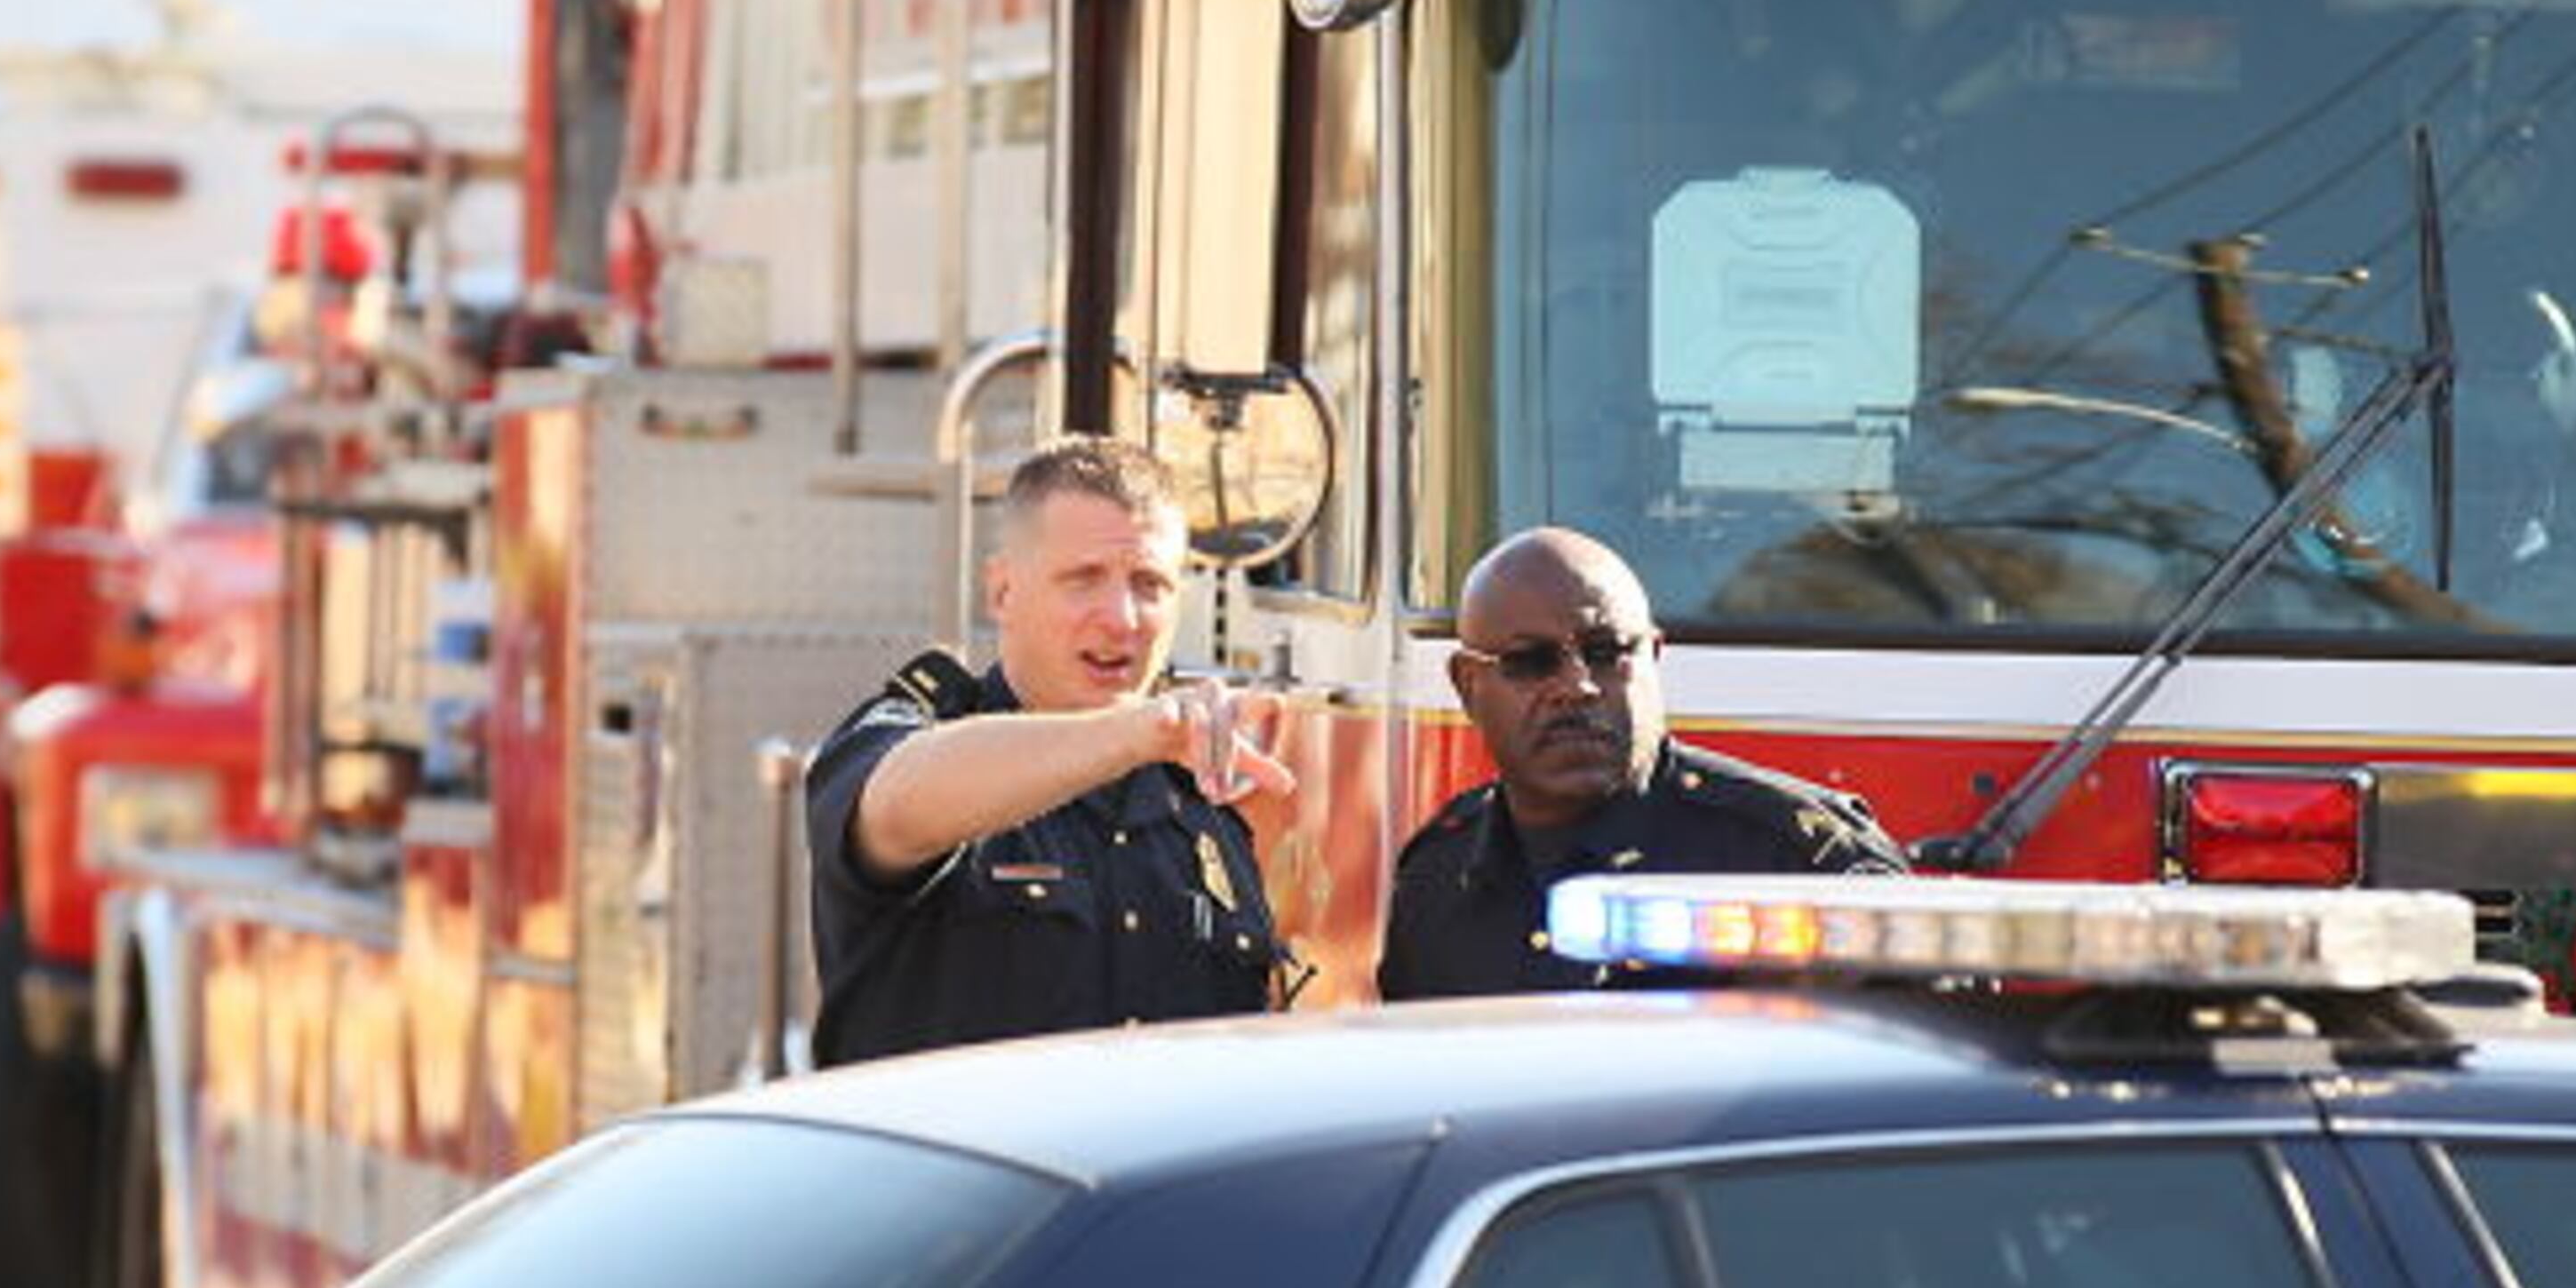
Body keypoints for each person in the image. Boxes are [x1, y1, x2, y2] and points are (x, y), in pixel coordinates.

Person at [807, 435, 1295, 1068]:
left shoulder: (1206, 808)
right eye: (1083, 579)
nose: (1122, 618)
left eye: (1150, 584)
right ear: (1003, 592)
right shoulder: (920, 737)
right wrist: (1139, 732)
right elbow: (894, 808)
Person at [1380, 527, 1905, 1000]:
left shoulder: (1791, 861)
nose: (1578, 687)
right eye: (1531, 662)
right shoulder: (1437, 879)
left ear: (1654, 656)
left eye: (1607, 651)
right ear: (1468, 686)